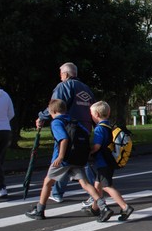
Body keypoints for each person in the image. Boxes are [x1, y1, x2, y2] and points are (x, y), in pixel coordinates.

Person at [25, 99, 114, 222]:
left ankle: (40, 210)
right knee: (86, 184)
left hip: (63, 159)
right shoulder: (73, 121)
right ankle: (103, 207)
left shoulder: (56, 122)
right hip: (77, 158)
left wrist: (60, 156)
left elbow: (64, 139)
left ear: (54, 111)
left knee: (47, 182)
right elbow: (86, 134)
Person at [36, 62, 95, 204]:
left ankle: (58, 193)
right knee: (78, 159)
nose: (60, 76)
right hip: (84, 128)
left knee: (64, 159)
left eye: (61, 73)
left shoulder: (64, 86)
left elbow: (56, 106)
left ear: (66, 74)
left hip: (68, 128)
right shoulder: (86, 89)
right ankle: (58, 191)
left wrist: (42, 116)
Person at [83, 101, 134, 221]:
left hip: (103, 162)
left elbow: (97, 146)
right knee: (97, 187)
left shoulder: (99, 129)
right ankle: (96, 208)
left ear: (96, 114)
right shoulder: (109, 126)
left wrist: (89, 152)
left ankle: (125, 207)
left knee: (107, 187)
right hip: (108, 161)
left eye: (91, 114)